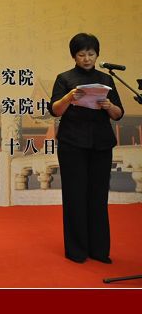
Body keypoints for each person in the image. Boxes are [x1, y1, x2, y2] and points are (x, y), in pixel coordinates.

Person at [49, 32, 124, 264]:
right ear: (74, 56)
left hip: (101, 144)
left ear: (97, 55)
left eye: (91, 54)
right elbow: (55, 110)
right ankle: (77, 250)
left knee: (98, 197)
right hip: (72, 143)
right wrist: (69, 98)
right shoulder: (65, 78)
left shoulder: (106, 79)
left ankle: (99, 250)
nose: (87, 58)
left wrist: (109, 105)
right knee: (75, 196)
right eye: (81, 54)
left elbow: (118, 114)